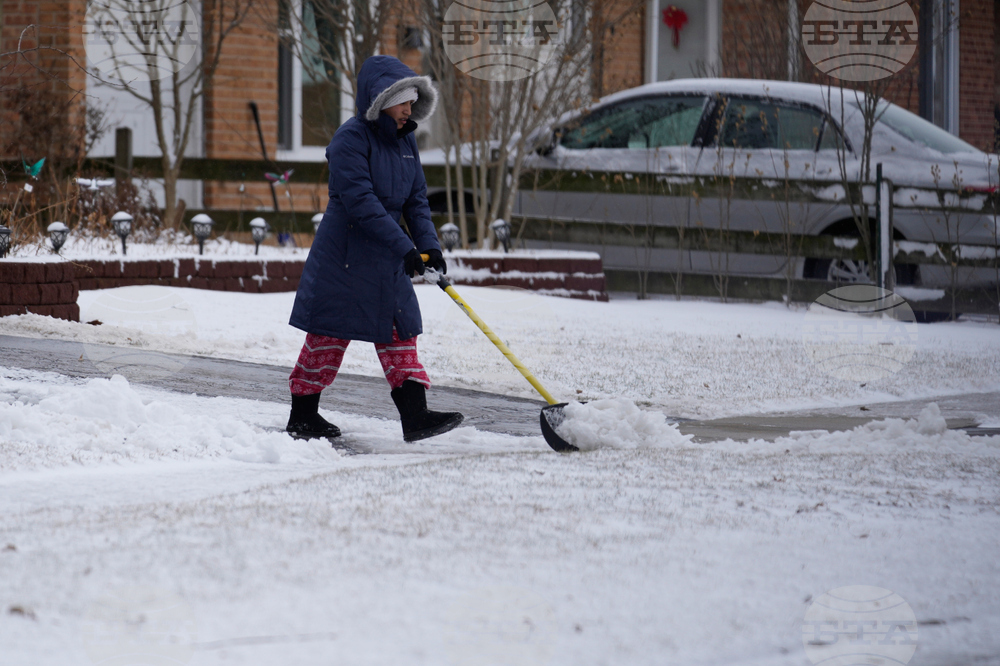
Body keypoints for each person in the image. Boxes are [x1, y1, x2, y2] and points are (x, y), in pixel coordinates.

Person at [286, 55, 462, 443]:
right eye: (402, 102)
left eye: (413, 102)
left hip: (385, 255)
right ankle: (303, 416)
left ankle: (415, 416)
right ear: (381, 101)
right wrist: (405, 247)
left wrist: (429, 248)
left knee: (400, 331)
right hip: (345, 256)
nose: (408, 110)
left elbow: (416, 200)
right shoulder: (349, 139)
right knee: (328, 336)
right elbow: (362, 203)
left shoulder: (405, 141)